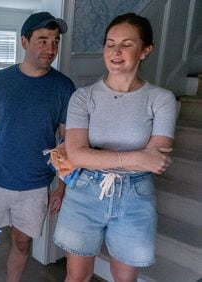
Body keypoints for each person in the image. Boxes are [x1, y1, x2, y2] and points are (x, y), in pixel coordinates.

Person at [53, 13, 177, 282]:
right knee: (76, 277)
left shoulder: (161, 99)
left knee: (125, 279)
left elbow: (156, 161)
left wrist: (95, 156)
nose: (116, 51)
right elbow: (75, 154)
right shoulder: (82, 98)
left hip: (135, 196)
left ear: (145, 50)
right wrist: (136, 158)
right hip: (84, 192)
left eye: (126, 44)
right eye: (110, 43)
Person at [0, 12, 76, 282]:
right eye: (42, 40)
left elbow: (65, 142)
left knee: (22, 242)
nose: (50, 49)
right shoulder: (0, 80)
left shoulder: (64, 86)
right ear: (25, 42)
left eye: (55, 41)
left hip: (36, 184)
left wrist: (61, 187)